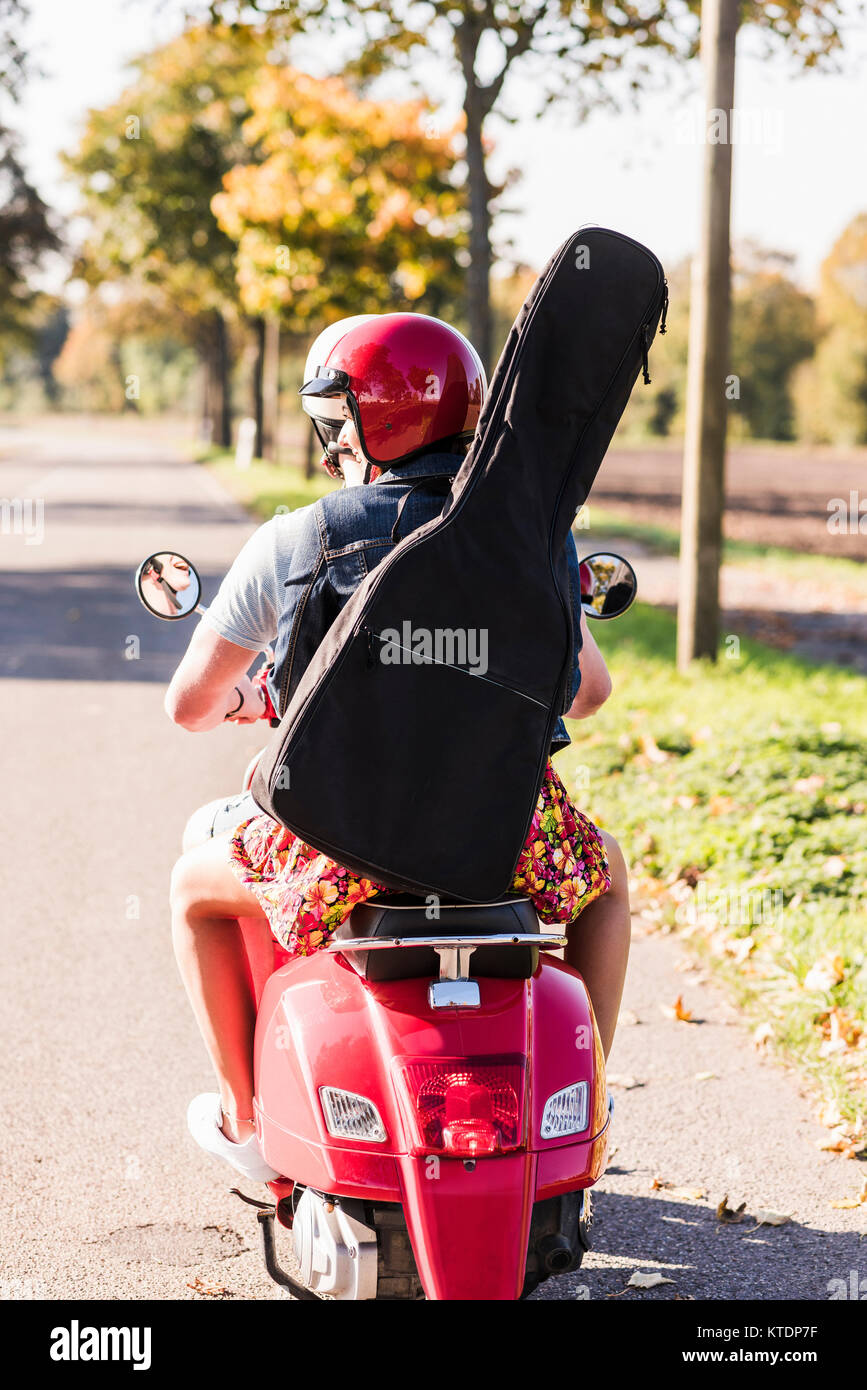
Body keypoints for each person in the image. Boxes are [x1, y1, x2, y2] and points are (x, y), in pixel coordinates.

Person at [166, 312, 632, 1183]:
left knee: (194, 888)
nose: (330, 444)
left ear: (368, 422)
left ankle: (244, 1116)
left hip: (337, 845)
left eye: (335, 423)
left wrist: (251, 694)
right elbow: (589, 690)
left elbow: (188, 704)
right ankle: (588, 1098)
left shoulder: (297, 538)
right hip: (502, 840)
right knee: (605, 879)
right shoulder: (533, 537)